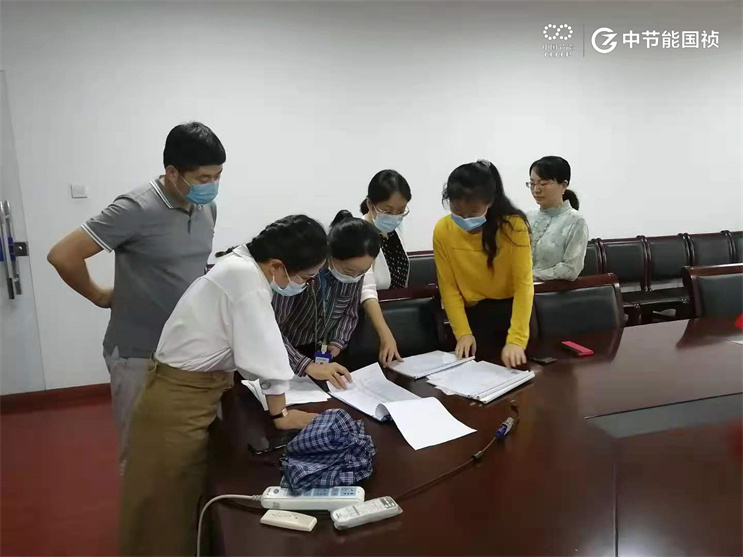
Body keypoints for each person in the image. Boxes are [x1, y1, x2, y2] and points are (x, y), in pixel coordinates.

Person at [119, 215, 326, 556]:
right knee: (166, 504)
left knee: (178, 494)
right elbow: (267, 351)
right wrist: (281, 414)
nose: (304, 285)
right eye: (306, 278)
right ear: (277, 265)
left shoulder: (241, 265)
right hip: (177, 401)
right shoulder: (246, 280)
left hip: (185, 392)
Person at [46, 121, 225, 472]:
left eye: (218, 176)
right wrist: (99, 295)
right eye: (203, 178)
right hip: (138, 355)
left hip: (187, 350)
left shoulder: (206, 207)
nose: (212, 185)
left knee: (192, 450)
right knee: (141, 454)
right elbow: (63, 255)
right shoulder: (136, 207)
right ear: (172, 172)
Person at [433, 160, 533, 368]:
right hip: (473, 319)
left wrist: (516, 340)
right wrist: (463, 333)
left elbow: (524, 285)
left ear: (490, 202)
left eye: (472, 213)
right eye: (457, 211)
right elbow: (449, 287)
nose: (464, 218)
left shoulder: (513, 227)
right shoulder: (443, 230)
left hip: (513, 316)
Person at [273, 210, 380, 388]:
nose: (354, 277)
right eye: (348, 271)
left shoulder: (356, 275)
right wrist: (305, 364)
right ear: (329, 255)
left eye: (362, 272)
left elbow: (349, 312)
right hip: (285, 350)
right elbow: (272, 330)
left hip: (321, 352)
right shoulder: (302, 274)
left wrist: (338, 341)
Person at [360, 169, 412, 365]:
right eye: (388, 211)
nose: (395, 217)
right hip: (371, 323)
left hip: (398, 319)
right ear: (370, 204)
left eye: (401, 211)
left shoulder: (394, 229)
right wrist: (385, 335)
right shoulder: (360, 234)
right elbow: (366, 291)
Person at [526, 156, 589, 281]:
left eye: (543, 184)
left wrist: (529, 277)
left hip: (553, 291)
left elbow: (570, 269)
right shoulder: (527, 217)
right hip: (521, 288)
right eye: (532, 184)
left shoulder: (575, 221)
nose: (536, 190)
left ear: (563, 185)